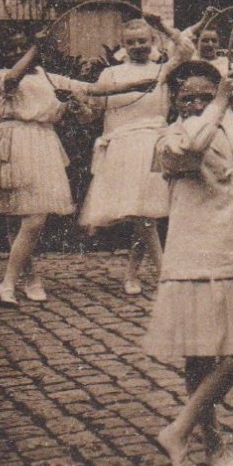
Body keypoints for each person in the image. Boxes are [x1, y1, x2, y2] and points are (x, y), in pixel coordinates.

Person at [143, 61, 233, 466]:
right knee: (200, 358)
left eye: (206, 95)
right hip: (197, 258)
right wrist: (220, 101)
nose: (198, 103)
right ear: (174, 102)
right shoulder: (170, 140)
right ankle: (210, 443)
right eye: (189, 97)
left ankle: (178, 431)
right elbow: (192, 148)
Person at [0, 36, 155, 306]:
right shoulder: (1, 75)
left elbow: (93, 89)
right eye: (12, 48)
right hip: (13, 140)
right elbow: (13, 80)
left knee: (29, 217)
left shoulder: (49, 78)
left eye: (21, 47)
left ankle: (24, 280)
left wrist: (137, 84)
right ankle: (11, 283)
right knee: (24, 218)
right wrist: (34, 48)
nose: (17, 52)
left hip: (43, 141)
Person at [79, 16, 183, 297]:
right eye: (131, 42)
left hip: (154, 146)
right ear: (123, 45)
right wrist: (79, 108)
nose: (138, 46)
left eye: (143, 41)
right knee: (142, 215)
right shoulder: (110, 75)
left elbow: (186, 50)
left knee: (147, 215)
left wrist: (162, 25)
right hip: (124, 149)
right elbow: (93, 114)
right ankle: (162, 274)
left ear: (152, 42)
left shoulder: (163, 71)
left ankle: (134, 273)